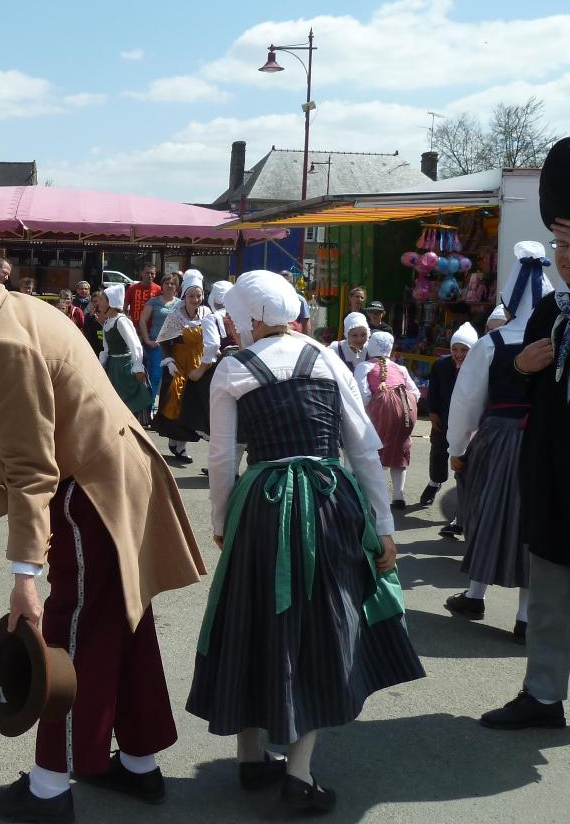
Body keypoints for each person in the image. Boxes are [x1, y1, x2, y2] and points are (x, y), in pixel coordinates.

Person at [0, 240, 204, 823]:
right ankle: (139, 765)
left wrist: (25, 574)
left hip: (90, 488)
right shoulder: (7, 309)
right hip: (114, 474)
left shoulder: (1, 341)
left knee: (71, 632)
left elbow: (32, 467)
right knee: (124, 616)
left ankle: (50, 788)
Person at [187, 270, 423, 815]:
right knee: (317, 623)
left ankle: (251, 758)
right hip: (325, 499)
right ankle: (298, 773)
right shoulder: (325, 356)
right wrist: (383, 525)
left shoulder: (232, 368)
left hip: (261, 503)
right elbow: (363, 446)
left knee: (249, 615)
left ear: (247, 316)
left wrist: (223, 519)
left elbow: (222, 459)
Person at [480, 141, 570, 729]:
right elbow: (503, 379)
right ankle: (543, 696)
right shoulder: (549, 313)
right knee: (549, 598)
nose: (568, 256)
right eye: (563, 242)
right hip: (557, 483)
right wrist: (521, 368)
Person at [446, 241, 553, 644]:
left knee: (487, 513)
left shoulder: (491, 343)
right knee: (533, 522)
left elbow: (466, 401)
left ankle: (475, 596)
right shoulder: (559, 337)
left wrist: (457, 449)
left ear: (507, 300)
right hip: (544, 441)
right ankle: (525, 617)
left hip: (499, 435)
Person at [354, 332, 420, 510]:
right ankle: (398, 495)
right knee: (400, 449)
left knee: (375, 452)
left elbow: (363, 394)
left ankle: (375, 496)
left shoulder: (364, 367)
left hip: (380, 413)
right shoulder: (401, 369)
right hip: (406, 413)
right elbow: (416, 393)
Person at [420, 321, 478, 522]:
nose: (459, 354)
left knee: (464, 461)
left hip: (469, 422)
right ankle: (435, 482)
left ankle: (461, 508)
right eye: (455, 349)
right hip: (444, 418)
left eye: (464, 350)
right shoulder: (442, 365)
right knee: (438, 451)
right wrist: (432, 412)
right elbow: (433, 390)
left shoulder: (479, 366)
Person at [154, 269, 211, 465]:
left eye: (198, 295)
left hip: (199, 364)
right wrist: (168, 361)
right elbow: (163, 341)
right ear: (184, 296)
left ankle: (183, 444)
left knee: (194, 406)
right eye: (191, 296)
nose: (195, 299)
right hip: (179, 364)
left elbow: (213, 338)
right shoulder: (175, 316)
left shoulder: (206, 313)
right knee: (177, 403)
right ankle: (176, 441)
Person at [178, 280, 236, 443]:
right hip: (244, 362)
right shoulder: (240, 314)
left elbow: (213, 345)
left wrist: (200, 370)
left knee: (196, 390)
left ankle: (203, 429)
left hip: (223, 364)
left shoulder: (211, 318)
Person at [94, 284, 151, 426]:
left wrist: (138, 366)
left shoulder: (122, 321)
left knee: (128, 403)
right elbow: (106, 349)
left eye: (101, 299)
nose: (98, 303)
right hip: (114, 368)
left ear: (111, 303)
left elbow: (135, 344)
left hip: (125, 368)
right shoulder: (108, 322)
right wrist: (101, 365)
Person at [140, 273, 180, 416]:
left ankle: (166, 413)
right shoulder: (154, 301)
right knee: (155, 377)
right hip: (156, 345)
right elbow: (143, 320)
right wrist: (146, 340)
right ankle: (149, 412)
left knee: (172, 379)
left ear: (176, 286)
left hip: (174, 345)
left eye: (172, 283)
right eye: (167, 283)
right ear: (162, 285)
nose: (169, 286)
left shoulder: (181, 303)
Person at [124, 261, 161, 330]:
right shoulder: (132, 288)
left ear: (155, 275)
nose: (149, 276)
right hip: (134, 328)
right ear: (141, 273)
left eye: (152, 273)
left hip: (151, 328)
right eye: (147, 273)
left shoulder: (159, 290)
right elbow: (124, 307)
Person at [72, 280, 101, 353]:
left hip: (92, 334)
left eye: (86, 289)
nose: (83, 290)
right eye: (81, 289)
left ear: (89, 291)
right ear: (77, 290)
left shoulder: (94, 301)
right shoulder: (73, 302)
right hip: (76, 330)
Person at [280, 271, 312, 336]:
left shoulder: (300, 300)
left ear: (292, 284)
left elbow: (306, 325)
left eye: (288, 282)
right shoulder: (272, 299)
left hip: (293, 337)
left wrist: (304, 341)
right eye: (282, 282)